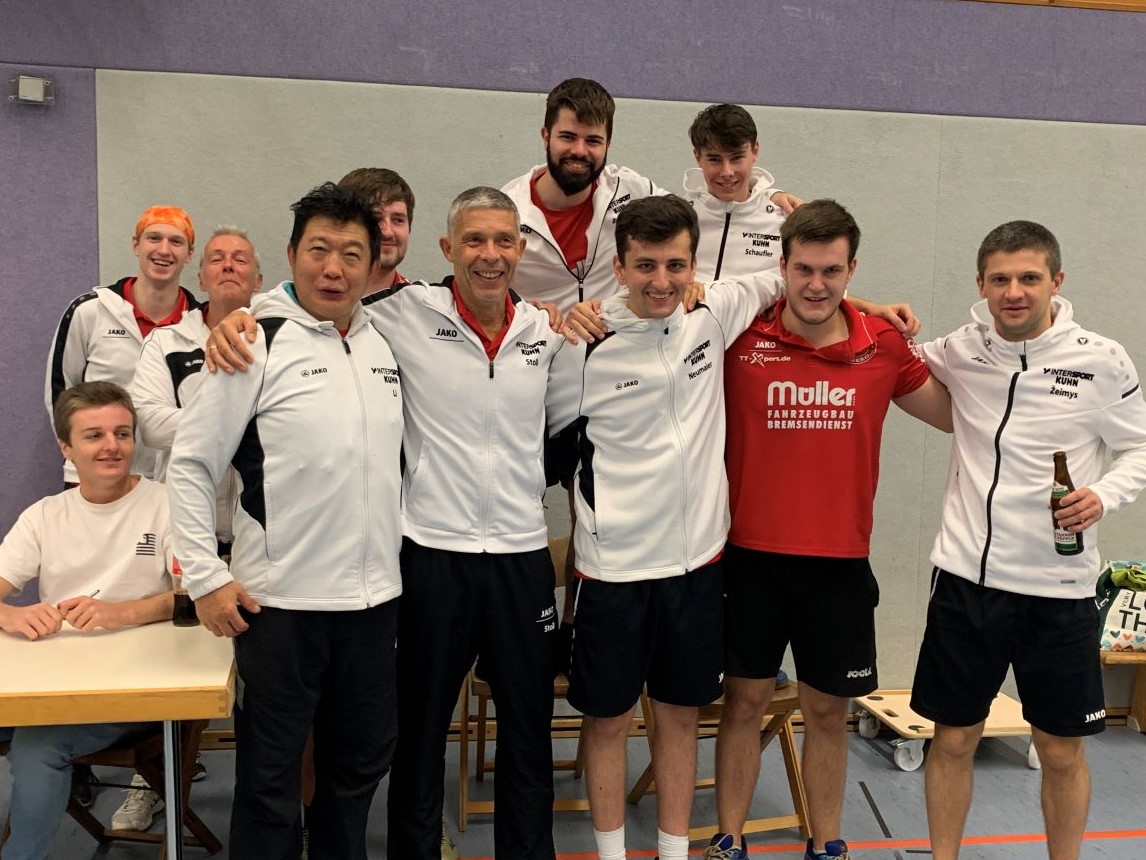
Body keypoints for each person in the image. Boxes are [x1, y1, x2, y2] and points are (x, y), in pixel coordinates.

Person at [205, 187, 568, 860]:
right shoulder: (396, 315)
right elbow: (307, 309)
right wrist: (238, 317)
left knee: (525, 733)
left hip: (513, 559)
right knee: (415, 736)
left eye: (503, 240)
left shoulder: (547, 333)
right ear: (448, 248)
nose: (489, 255)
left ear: (522, 249)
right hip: (426, 557)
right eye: (474, 240)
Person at [701, 200, 952, 860]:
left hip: (839, 566)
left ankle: (826, 843)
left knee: (827, 713)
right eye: (804, 270)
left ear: (852, 270)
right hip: (749, 559)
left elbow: (963, 417)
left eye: (831, 271)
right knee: (744, 703)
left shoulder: (883, 344)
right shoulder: (738, 336)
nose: (816, 285)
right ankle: (728, 840)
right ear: (781, 267)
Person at [166, 183, 404, 860]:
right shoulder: (252, 341)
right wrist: (205, 578)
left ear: (372, 265)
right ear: (293, 253)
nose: (334, 268)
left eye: (352, 254)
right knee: (270, 781)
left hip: (372, 606)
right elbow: (190, 464)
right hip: (280, 608)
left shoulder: (382, 343)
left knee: (357, 769)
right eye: (319, 250)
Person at [547, 194, 788, 860]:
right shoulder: (581, 346)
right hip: (613, 573)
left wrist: (787, 210)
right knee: (608, 723)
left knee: (680, 720)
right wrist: (561, 318)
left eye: (676, 265)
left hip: (697, 568)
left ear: (693, 265)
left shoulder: (713, 311)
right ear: (619, 267)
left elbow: (793, 276)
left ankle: (675, 853)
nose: (661, 281)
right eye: (646, 265)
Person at [908, 221, 1146, 860]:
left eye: (1029, 278)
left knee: (1060, 751)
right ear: (980, 285)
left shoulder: (1102, 359)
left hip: (1059, 593)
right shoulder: (960, 349)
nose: (1014, 292)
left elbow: (1139, 448)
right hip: (966, 582)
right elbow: (886, 355)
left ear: (1056, 281)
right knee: (952, 740)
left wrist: (1104, 495)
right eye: (1000, 279)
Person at [0, 381, 174, 860]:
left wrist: (122, 613)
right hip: (52, 681)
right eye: (94, 435)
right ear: (66, 448)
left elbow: (195, 598)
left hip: (135, 685)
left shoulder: (167, 504)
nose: (111, 446)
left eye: (122, 433)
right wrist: (10, 615)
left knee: (37, 749)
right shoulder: (44, 516)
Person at [502, 77, 797, 312]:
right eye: (568, 137)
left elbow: (708, 207)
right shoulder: (507, 211)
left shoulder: (628, 188)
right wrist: (527, 316)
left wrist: (765, 196)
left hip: (611, 349)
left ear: (608, 143)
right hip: (537, 354)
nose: (579, 150)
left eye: (593, 140)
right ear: (546, 135)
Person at [45, 206, 199, 484]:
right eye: (154, 238)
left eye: (176, 241)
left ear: (189, 254)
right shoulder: (90, 311)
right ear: (135, 245)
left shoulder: (199, 324)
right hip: (92, 475)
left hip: (169, 478)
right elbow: (59, 392)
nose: (164, 250)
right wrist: (77, 457)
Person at [683, 103, 794, 281]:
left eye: (736, 158)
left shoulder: (785, 221)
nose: (727, 172)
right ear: (697, 156)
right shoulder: (680, 217)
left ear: (755, 151)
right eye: (714, 159)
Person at [338, 167, 415, 293]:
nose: (387, 233)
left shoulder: (419, 302)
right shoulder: (310, 299)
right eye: (375, 218)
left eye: (398, 220)